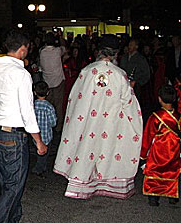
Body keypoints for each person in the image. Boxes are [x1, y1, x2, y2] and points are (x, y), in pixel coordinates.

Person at [54, 34, 143, 200]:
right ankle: (108, 183)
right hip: (112, 123)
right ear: (115, 53)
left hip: (88, 122)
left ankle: (83, 183)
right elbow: (129, 103)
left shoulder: (87, 71)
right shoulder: (119, 74)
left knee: (88, 148)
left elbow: (74, 98)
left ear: (99, 51)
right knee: (108, 150)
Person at [0, 30, 47, 223]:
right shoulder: (21, 74)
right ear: (22, 49)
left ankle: (12, 222)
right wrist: (38, 140)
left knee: (6, 181)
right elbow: (27, 111)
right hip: (13, 133)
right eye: (27, 49)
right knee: (14, 184)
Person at [140, 85, 180, 206]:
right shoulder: (178, 117)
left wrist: (143, 155)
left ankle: (154, 197)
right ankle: (171, 195)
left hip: (158, 152)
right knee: (172, 171)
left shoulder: (155, 117)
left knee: (154, 171)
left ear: (159, 99)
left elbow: (147, 136)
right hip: (174, 151)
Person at [39, 32, 66, 132]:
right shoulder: (57, 51)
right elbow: (64, 47)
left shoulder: (42, 52)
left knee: (48, 106)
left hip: (47, 83)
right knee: (58, 106)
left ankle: (48, 126)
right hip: (58, 81)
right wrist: (60, 37)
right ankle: (59, 128)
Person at [30, 81, 57, 177]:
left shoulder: (32, 105)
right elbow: (53, 122)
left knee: (38, 151)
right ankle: (39, 169)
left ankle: (41, 166)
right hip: (47, 134)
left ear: (34, 92)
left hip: (35, 133)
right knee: (44, 153)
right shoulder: (49, 107)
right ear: (48, 92)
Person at [119, 38, 151, 106]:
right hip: (123, 85)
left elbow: (146, 74)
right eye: (129, 45)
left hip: (136, 87)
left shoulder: (141, 59)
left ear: (136, 47)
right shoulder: (124, 57)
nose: (129, 47)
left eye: (131, 45)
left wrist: (138, 82)